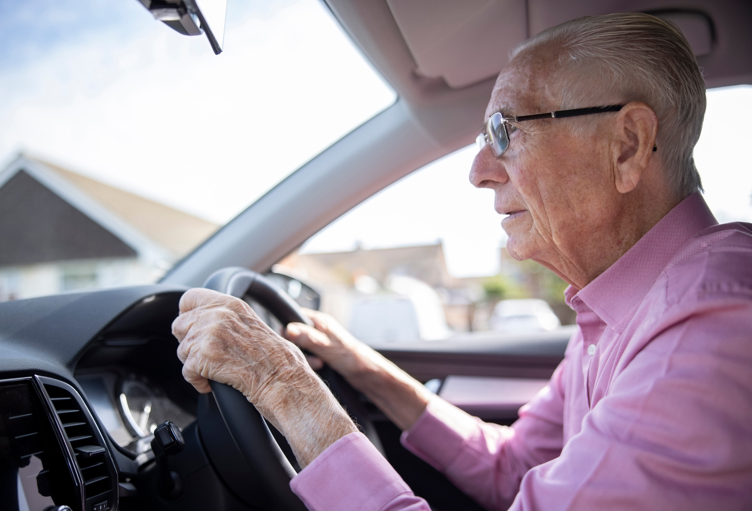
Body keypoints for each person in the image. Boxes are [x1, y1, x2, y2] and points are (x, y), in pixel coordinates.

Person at [171, 12, 752, 511]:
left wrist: (284, 385)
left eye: (504, 130)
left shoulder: (707, 333)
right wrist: (364, 366)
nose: (478, 170)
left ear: (626, 145)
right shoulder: (627, 305)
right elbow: (514, 465)